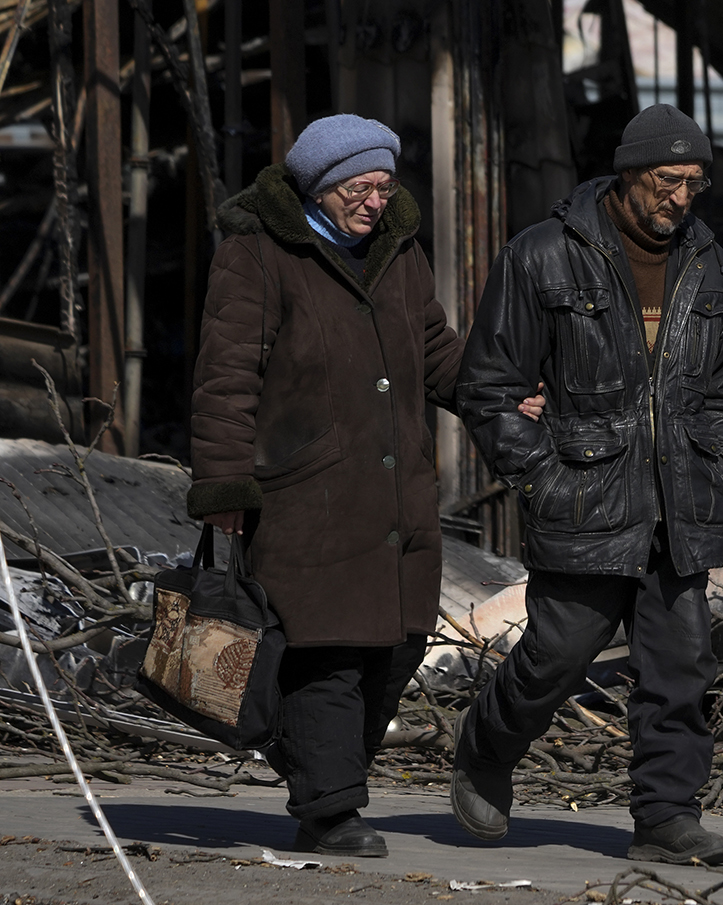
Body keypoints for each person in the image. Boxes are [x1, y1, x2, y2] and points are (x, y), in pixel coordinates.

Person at [187, 114, 542, 857]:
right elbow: (226, 378)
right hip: (305, 494)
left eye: (383, 187)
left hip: (397, 495)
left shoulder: (398, 252)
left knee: (398, 646)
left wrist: (500, 394)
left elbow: (435, 348)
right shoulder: (257, 255)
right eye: (359, 188)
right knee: (329, 652)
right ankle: (330, 810)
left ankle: (314, 767)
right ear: (320, 185)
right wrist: (224, 487)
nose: (375, 202)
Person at [453, 103, 723, 865]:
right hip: (585, 499)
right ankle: (486, 750)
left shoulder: (711, 265)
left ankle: (667, 817)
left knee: (681, 668)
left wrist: (720, 469)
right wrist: (544, 477)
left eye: (695, 182)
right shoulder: (542, 256)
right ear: (628, 174)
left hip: (681, 507)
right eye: (668, 180)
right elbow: (489, 388)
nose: (681, 197)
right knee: (558, 656)